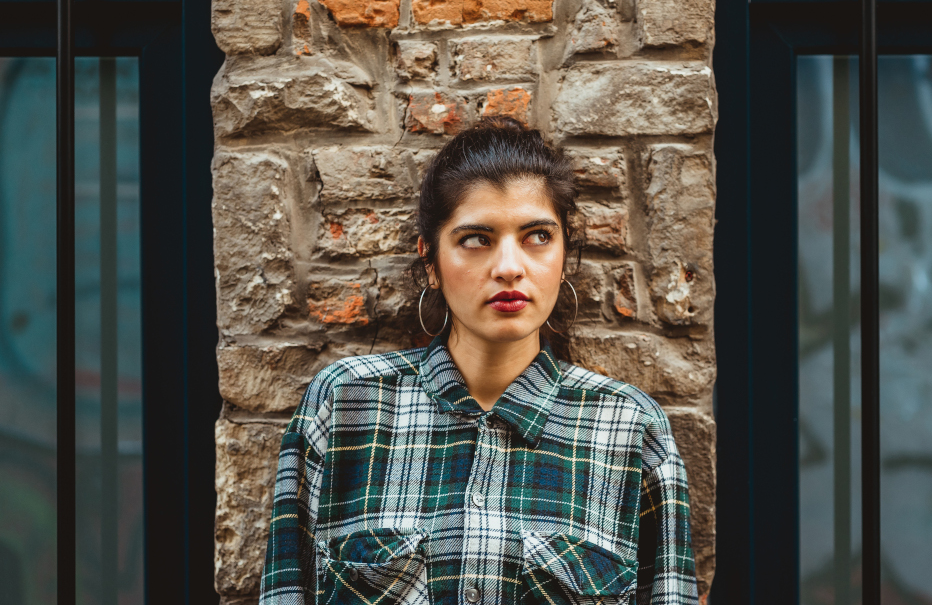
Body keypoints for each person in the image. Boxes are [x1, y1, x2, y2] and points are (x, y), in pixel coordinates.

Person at [258, 116, 698, 605]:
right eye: (476, 239)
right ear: (431, 261)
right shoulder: (344, 406)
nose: (509, 267)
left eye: (537, 236)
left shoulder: (631, 428)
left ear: (564, 252)